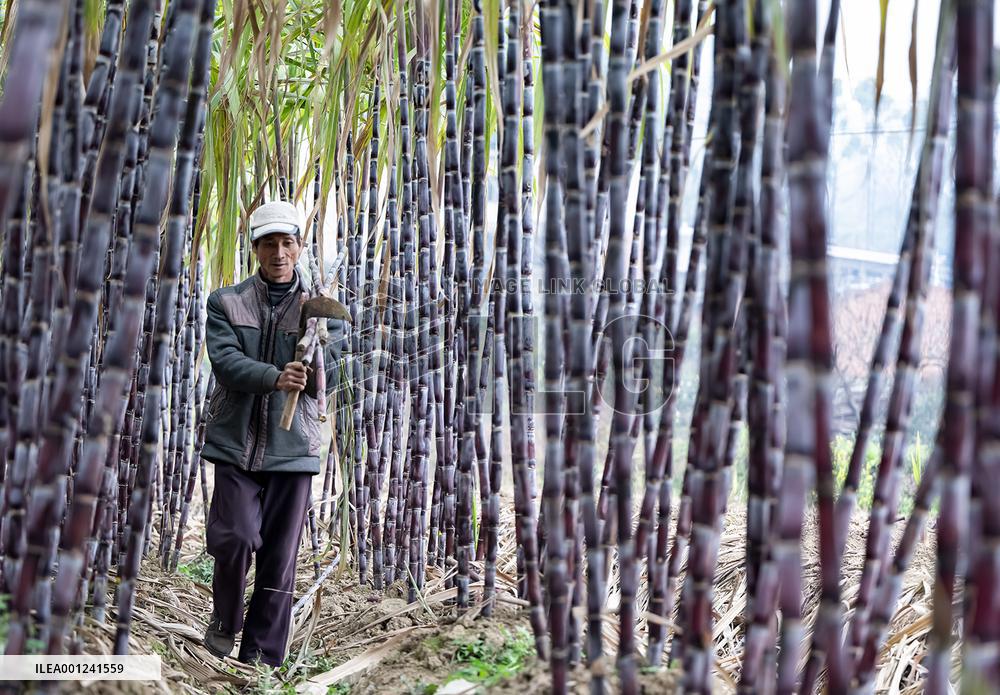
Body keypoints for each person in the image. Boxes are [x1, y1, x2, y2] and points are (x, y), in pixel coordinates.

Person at [200, 200, 345, 667]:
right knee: (235, 536)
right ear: (256, 249)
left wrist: (317, 355)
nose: (278, 252)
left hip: (293, 447)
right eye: (268, 244)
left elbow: (334, 377)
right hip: (235, 443)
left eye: (287, 243)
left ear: (300, 247)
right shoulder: (226, 302)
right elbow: (225, 362)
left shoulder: (319, 307)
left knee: (280, 558)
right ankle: (225, 619)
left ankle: (261, 658)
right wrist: (274, 376)